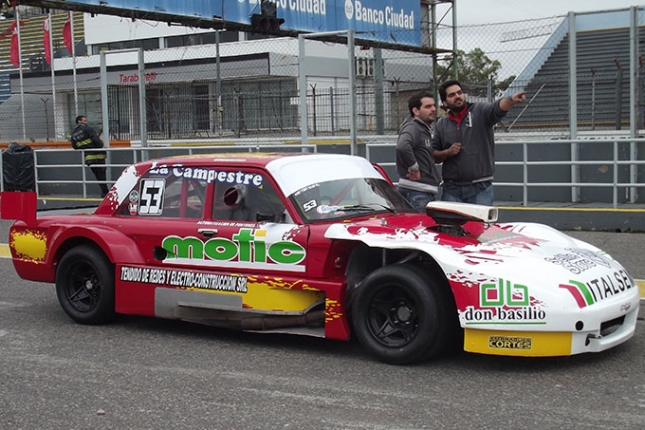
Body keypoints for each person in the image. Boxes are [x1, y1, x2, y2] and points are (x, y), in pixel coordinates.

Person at [432, 80, 526, 206]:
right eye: (452, 95)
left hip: (480, 188)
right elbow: (433, 155)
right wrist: (448, 152)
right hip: (451, 190)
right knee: (451, 226)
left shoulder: (480, 111)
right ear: (444, 102)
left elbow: (497, 108)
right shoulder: (441, 125)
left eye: (459, 92)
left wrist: (511, 100)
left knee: (479, 226)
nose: (457, 96)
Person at [395, 91, 442, 211]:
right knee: (422, 229)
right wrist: (414, 168)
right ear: (416, 111)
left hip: (419, 193)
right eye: (427, 106)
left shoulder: (421, 129)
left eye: (433, 105)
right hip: (417, 194)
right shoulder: (414, 127)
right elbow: (402, 146)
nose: (433, 109)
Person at [70, 115, 109, 197]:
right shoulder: (87, 129)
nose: (86, 122)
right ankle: (105, 192)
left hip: (89, 157)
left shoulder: (74, 134)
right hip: (98, 155)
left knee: (98, 175)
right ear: (79, 121)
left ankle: (104, 192)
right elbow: (96, 140)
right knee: (102, 175)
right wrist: (101, 145)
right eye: (84, 121)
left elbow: (75, 146)